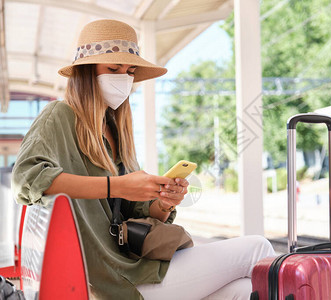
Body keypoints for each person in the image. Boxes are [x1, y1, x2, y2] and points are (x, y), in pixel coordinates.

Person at [12, 19, 275, 299]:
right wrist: (117, 185)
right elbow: (25, 179)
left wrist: (162, 202)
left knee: (244, 290)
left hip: (132, 267)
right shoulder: (59, 116)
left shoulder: (115, 130)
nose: (123, 78)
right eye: (113, 69)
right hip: (112, 279)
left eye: (130, 71)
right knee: (256, 249)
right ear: (86, 72)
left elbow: (134, 213)